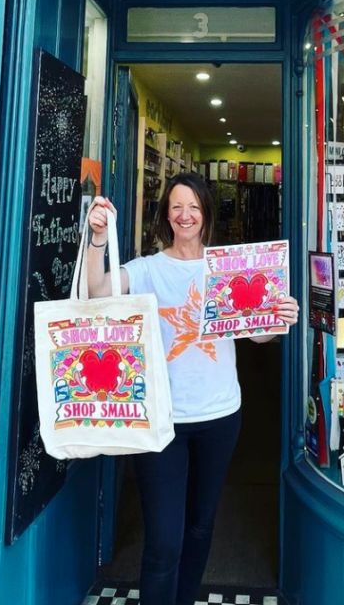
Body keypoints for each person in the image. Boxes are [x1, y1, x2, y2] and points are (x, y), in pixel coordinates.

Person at [86, 173, 299, 605]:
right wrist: (96, 240)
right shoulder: (147, 269)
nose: (186, 216)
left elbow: (257, 336)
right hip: (163, 420)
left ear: (206, 214)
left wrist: (279, 319)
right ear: (167, 213)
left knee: (201, 526)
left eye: (194, 207)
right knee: (164, 538)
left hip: (220, 416)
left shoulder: (226, 269)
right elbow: (96, 295)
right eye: (177, 207)